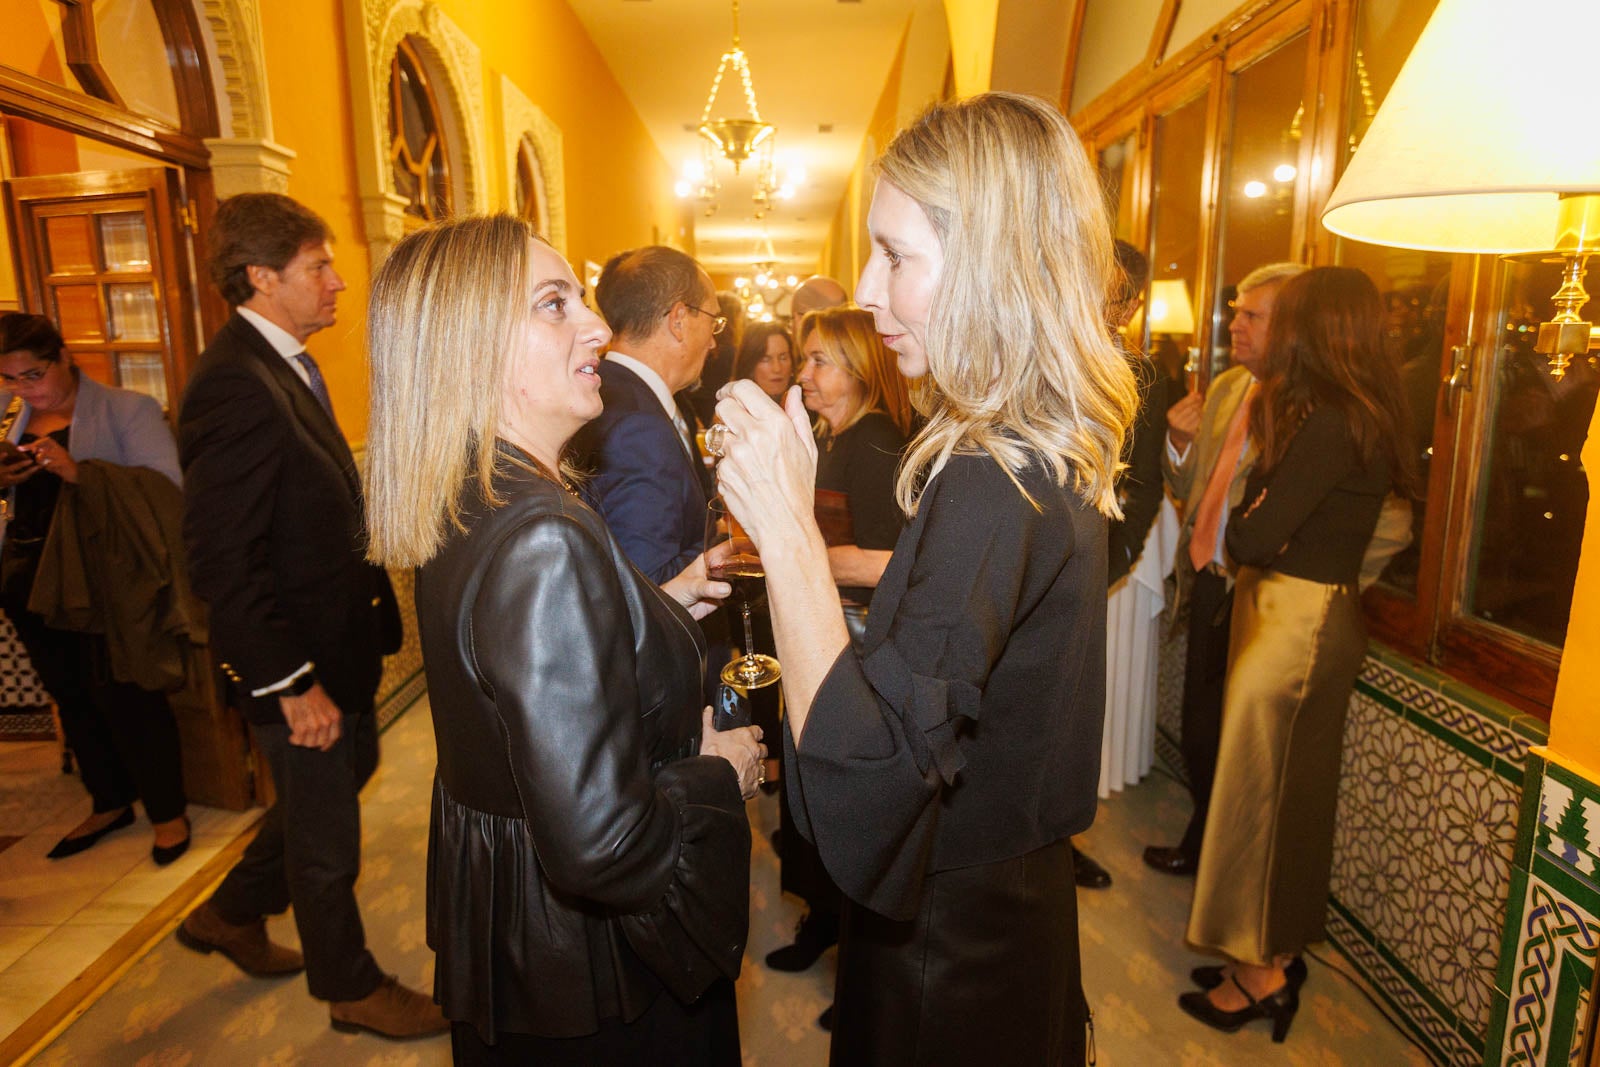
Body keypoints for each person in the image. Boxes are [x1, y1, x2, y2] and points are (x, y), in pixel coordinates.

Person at [709, 92, 1138, 1064]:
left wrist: (782, 528)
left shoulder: (999, 475)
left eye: (895, 255)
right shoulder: (1028, 446)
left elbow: (865, 788)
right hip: (995, 909)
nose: (864, 287)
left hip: (953, 946)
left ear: (990, 267)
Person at [363, 214, 764, 1065]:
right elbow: (604, 844)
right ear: (471, 345)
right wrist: (714, 773)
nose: (593, 326)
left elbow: (524, 697)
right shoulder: (541, 532)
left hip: (519, 933)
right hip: (592, 967)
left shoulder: (472, 490)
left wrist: (658, 599)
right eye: (554, 304)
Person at [175, 193, 438, 1040]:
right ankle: (350, 985)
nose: (338, 281)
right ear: (262, 277)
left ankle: (230, 911)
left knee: (335, 784)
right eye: (319, 266)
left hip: (339, 647)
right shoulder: (230, 386)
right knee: (327, 840)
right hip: (297, 666)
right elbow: (222, 559)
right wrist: (291, 685)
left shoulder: (280, 363)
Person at [1179, 266, 1414, 1041]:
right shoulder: (1359, 412)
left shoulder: (1332, 419)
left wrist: (1255, 505)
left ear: (1322, 329)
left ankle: (1264, 973)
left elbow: (1249, 532)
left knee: (1265, 803)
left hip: (1296, 625)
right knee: (1279, 799)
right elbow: (1261, 518)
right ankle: (1270, 952)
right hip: (1298, 616)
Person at [0, 313, 190, 865]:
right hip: (31, 581)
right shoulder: (11, 415)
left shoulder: (125, 409)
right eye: (9, 380)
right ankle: (110, 800)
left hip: (106, 585)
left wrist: (79, 471)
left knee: (128, 695)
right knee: (71, 697)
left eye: (33, 375)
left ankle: (168, 814)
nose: (23, 389)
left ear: (64, 356)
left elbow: (165, 493)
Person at [763, 307, 910, 1001]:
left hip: (856, 643)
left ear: (859, 369)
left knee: (841, 796)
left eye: (820, 360)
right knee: (809, 792)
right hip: (824, 630)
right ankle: (823, 923)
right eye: (805, 358)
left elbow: (892, 563)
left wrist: (797, 554)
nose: (804, 373)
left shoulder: (876, 441)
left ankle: (856, 961)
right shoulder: (834, 434)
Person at [1141, 261, 1305, 878]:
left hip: (1263, 591)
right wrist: (1179, 444)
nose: (1233, 324)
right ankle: (1206, 842)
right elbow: (1195, 485)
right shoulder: (1233, 387)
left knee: (1239, 740)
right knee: (1201, 729)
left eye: (1251, 315)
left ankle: (1223, 862)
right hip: (1210, 578)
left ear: (1291, 325)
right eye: (1235, 310)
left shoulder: (1306, 407)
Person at [1075, 239, 1168, 891]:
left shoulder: (1147, 378)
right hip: (1025, 559)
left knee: (1072, 712)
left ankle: (1059, 839)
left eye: (1105, 287)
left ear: (1129, 305)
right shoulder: (1038, 353)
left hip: (1090, 566)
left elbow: (1146, 486)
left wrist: (1115, 560)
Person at [570, 246, 723, 583]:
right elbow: (648, 581)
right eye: (714, 320)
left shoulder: (609, 391)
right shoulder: (638, 428)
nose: (713, 343)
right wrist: (727, 542)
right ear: (679, 320)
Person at [732, 321, 796, 402]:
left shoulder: (809, 406)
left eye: (783, 358)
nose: (777, 368)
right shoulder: (731, 409)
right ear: (749, 365)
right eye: (765, 360)